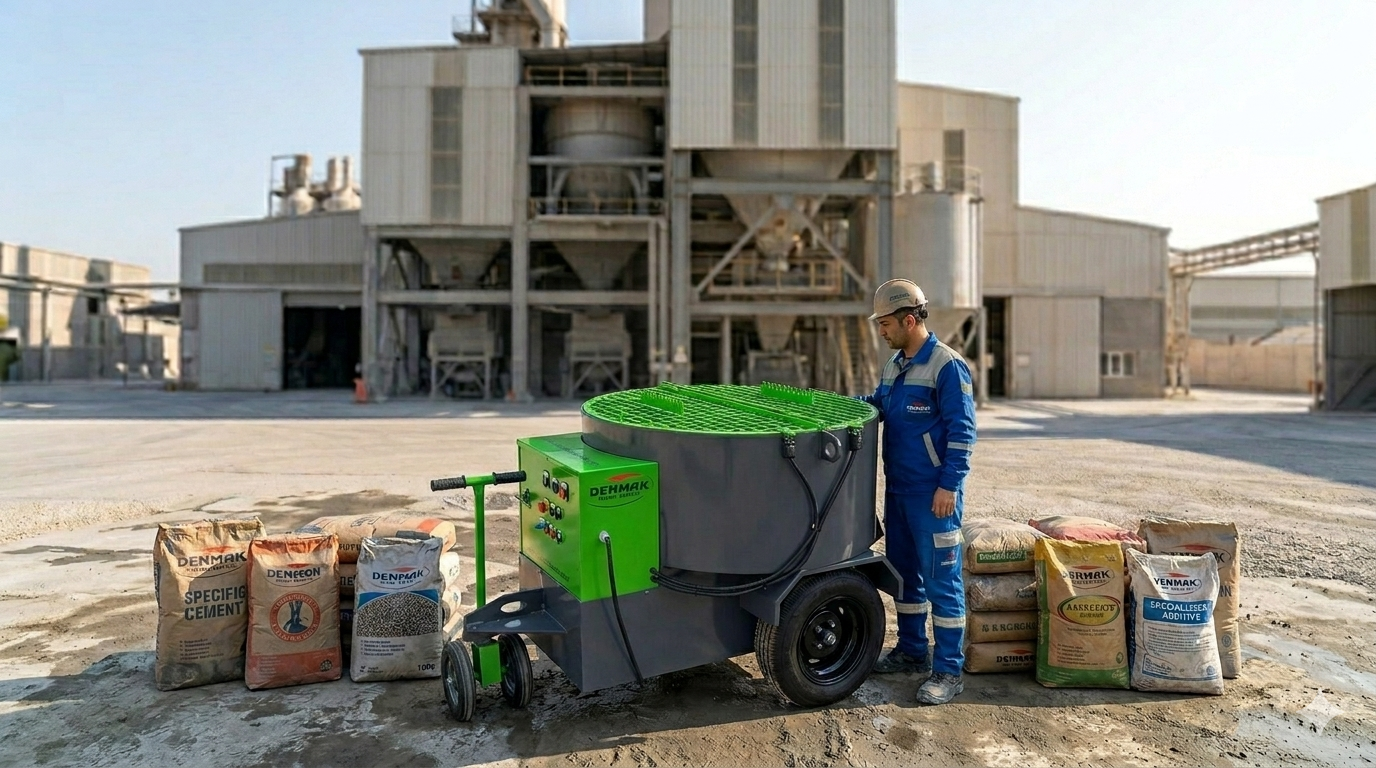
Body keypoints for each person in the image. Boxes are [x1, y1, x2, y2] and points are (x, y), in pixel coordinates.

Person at [858, 278, 976, 705]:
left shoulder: (946, 366)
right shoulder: (896, 365)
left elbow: (963, 432)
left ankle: (948, 670)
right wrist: (844, 407)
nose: (882, 331)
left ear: (910, 319)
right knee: (906, 577)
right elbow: (881, 404)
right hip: (901, 491)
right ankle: (911, 651)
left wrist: (949, 485)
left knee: (942, 581)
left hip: (933, 495)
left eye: (886, 323)